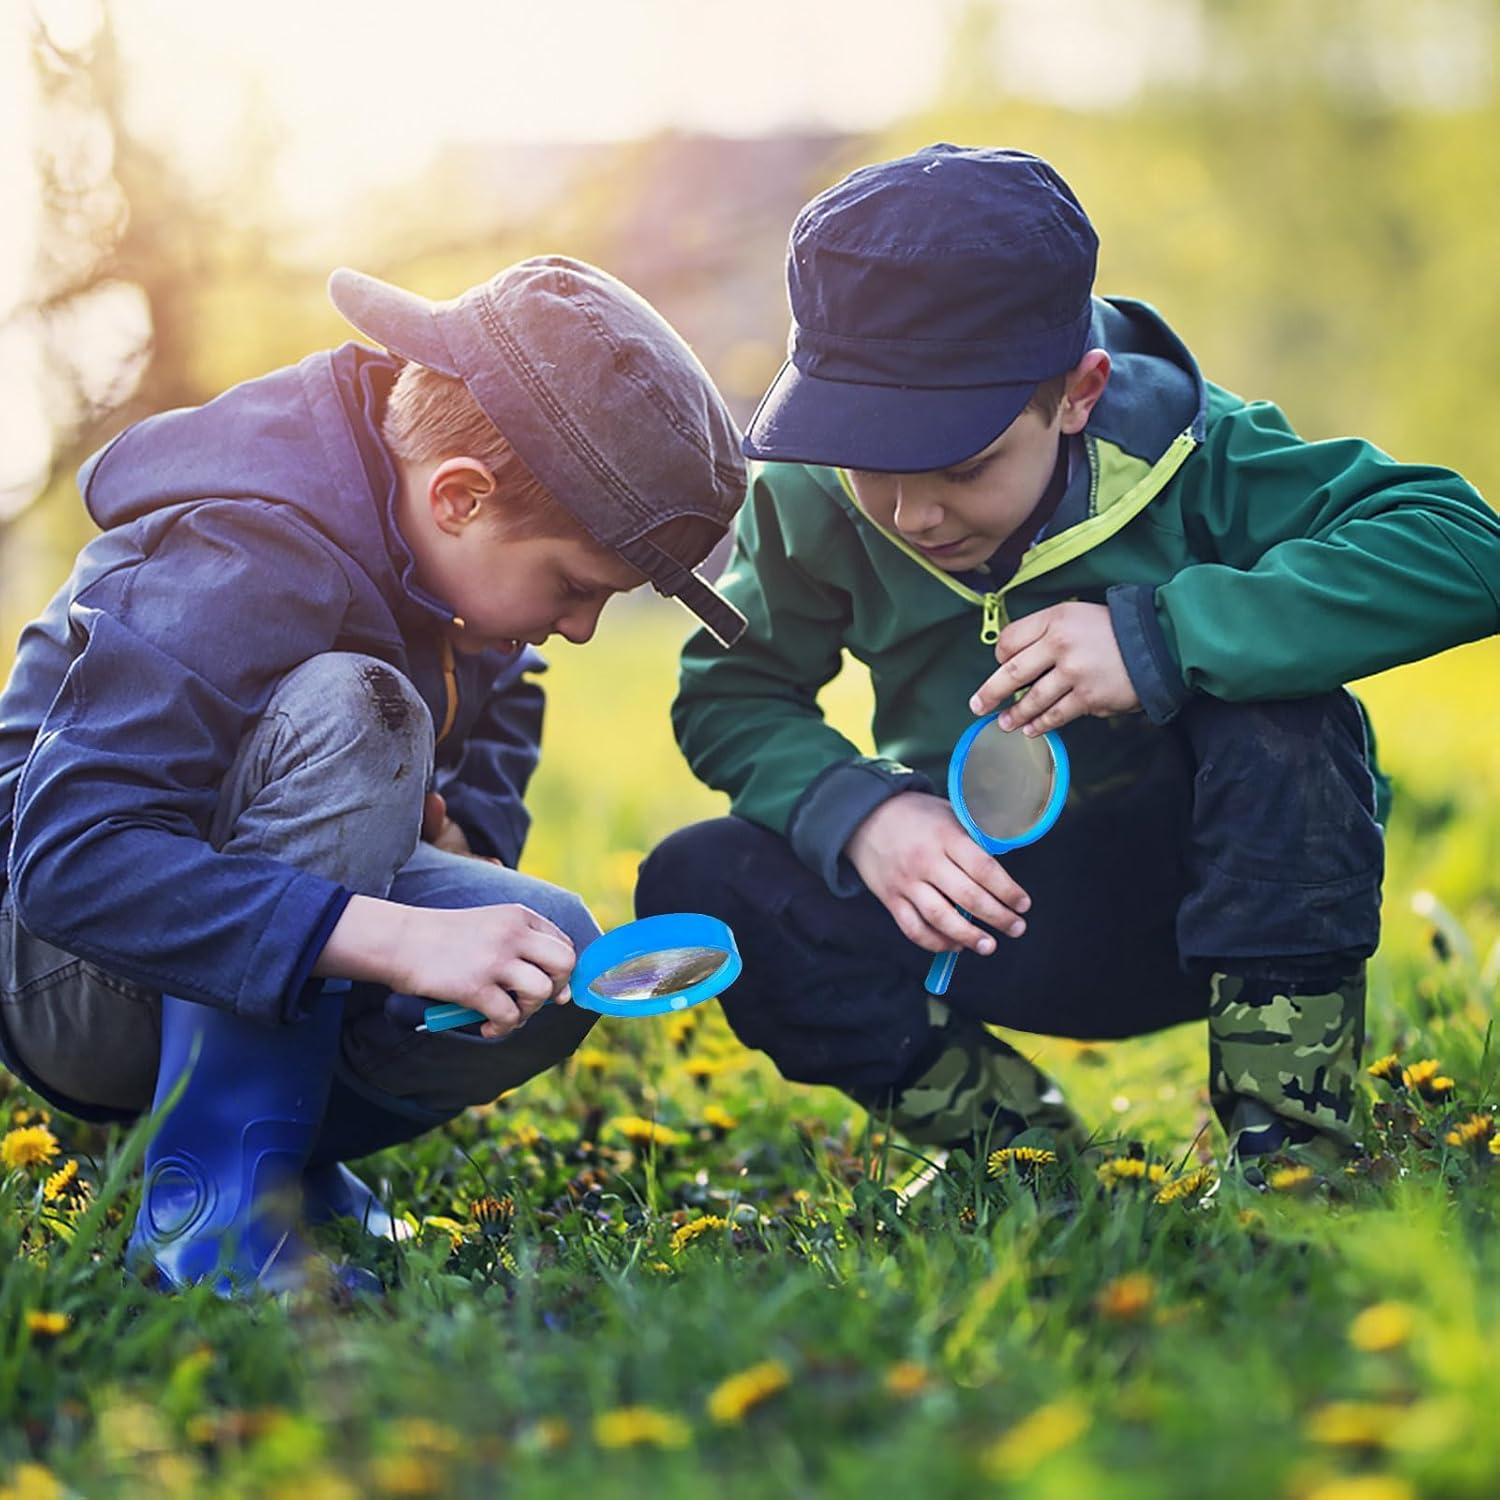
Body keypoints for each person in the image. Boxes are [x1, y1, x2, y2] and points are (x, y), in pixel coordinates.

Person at [637, 144, 1500, 1183]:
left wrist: (1164, 639)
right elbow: (733, 693)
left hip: (1221, 905)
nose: (913, 514)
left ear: (1080, 392)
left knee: (1286, 714)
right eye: (874, 464)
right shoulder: (812, 498)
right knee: (699, 876)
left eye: (962, 467)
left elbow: (1465, 546)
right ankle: (1022, 1160)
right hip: (979, 905)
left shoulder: (1199, 453)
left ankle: (1291, 1154)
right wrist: (861, 812)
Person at [0, 256, 747, 1290]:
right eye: (575, 587)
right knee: (362, 709)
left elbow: (507, 682)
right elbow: (73, 865)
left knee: (551, 951)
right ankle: (211, 1222)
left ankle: (289, 1155)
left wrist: (464, 845)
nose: (580, 628)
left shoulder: (434, 548)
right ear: (459, 495)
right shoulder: (240, 547)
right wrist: (396, 936)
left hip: (223, 933)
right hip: (65, 968)